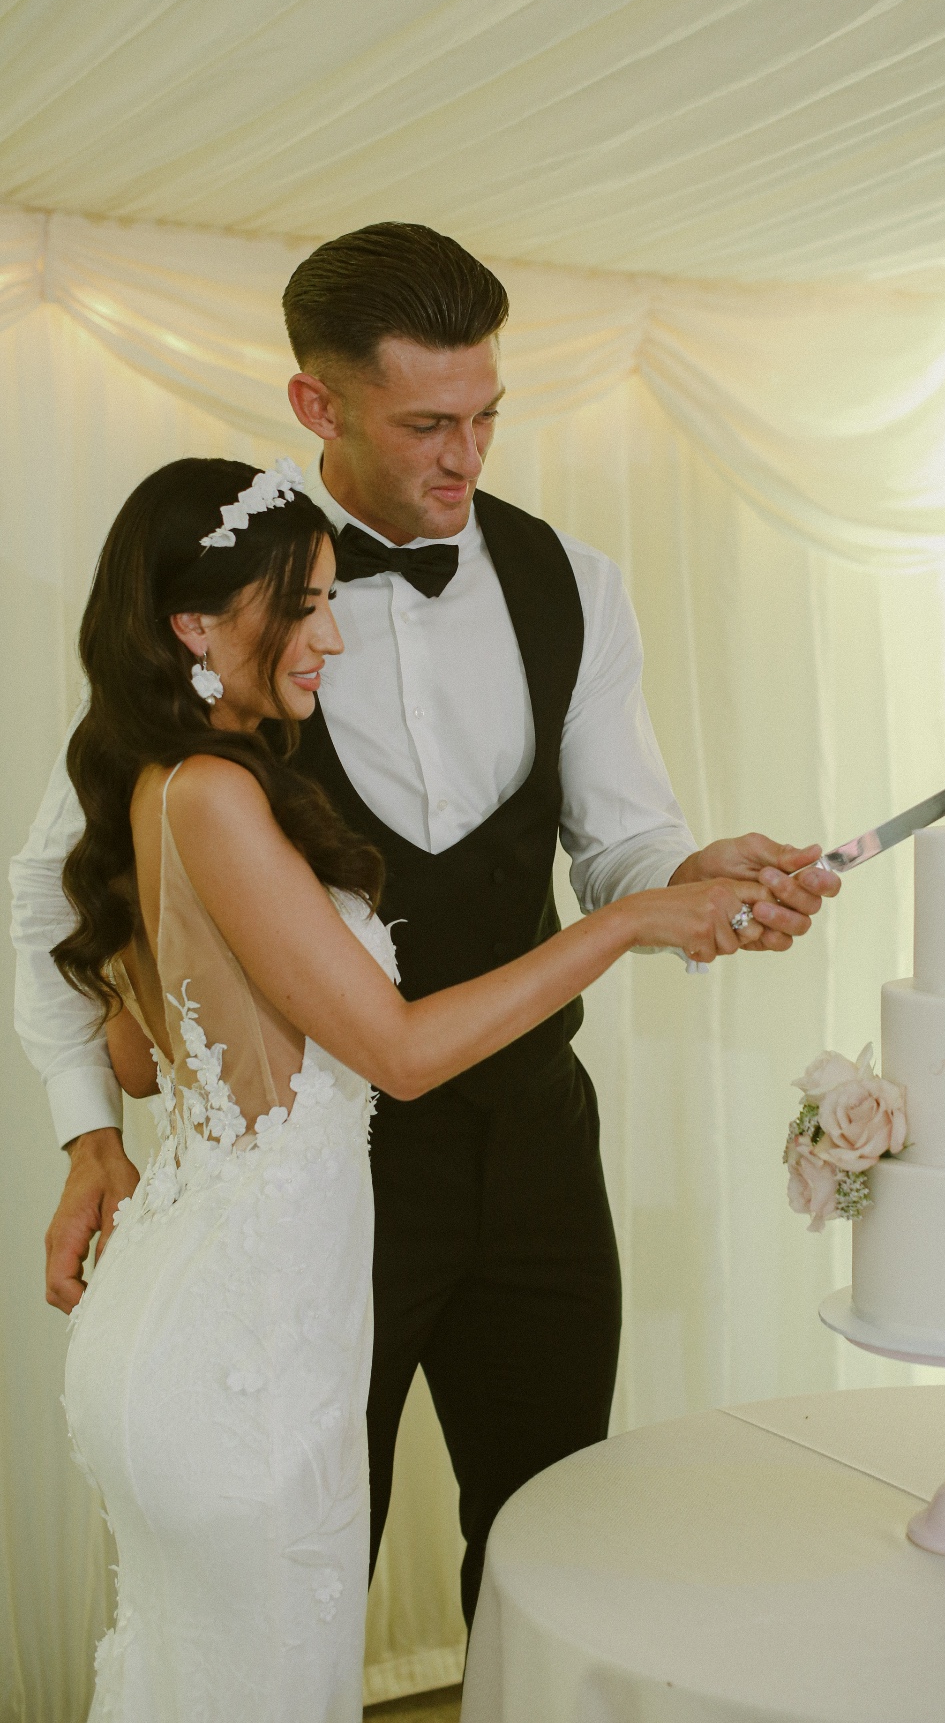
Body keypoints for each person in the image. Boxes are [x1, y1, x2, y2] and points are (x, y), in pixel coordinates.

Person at [12, 223, 840, 1635]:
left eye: (487, 417)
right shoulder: (222, 607)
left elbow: (618, 841)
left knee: (558, 1527)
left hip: (531, 1138)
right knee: (306, 1542)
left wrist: (689, 874)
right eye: (428, 424)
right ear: (316, 406)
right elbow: (52, 888)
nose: (467, 458)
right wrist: (90, 1129)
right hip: (322, 1169)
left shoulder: (573, 579)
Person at [51, 455, 777, 1719]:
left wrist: (667, 877)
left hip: (210, 1292)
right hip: (251, 1335)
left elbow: (138, 1050)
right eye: (306, 604)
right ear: (193, 626)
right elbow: (396, 1050)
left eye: (336, 598)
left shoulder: (154, 783)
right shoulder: (217, 793)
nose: (332, 636)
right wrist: (625, 927)